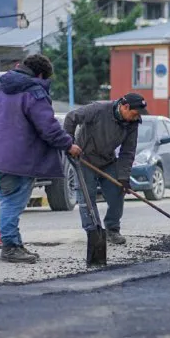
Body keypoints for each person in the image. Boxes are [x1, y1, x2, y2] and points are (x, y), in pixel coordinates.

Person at [0, 54, 82, 264]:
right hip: (19, 159)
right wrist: (68, 144)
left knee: (6, 199)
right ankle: (10, 247)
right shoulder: (33, 93)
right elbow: (48, 127)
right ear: (40, 74)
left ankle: (15, 243)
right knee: (12, 202)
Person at [63, 93, 146, 245]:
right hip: (84, 158)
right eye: (134, 113)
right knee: (87, 197)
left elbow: (127, 152)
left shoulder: (132, 123)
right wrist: (69, 143)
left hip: (107, 160)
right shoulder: (98, 109)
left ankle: (112, 229)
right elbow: (71, 118)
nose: (136, 117)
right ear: (125, 106)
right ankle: (93, 231)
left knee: (117, 191)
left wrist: (123, 177)